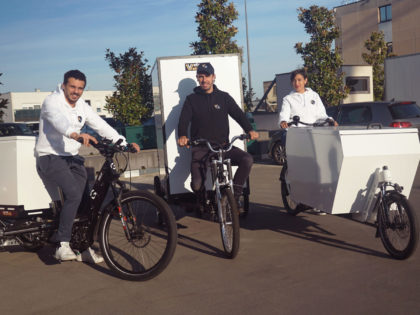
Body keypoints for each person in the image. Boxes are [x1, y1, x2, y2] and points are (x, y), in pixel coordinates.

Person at [35, 70, 140, 263]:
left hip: (72, 158)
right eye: (72, 87)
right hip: (50, 156)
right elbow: (58, 122)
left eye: (80, 88)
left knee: (87, 202)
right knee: (74, 194)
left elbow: (100, 125)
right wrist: (75, 134)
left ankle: (82, 247)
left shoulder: (82, 106)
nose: (76, 91)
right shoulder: (51, 101)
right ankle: (63, 244)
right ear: (64, 85)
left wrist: (123, 143)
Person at [177, 62, 259, 213]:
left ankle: (234, 197)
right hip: (202, 149)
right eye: (200, 77)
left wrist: (249, 129)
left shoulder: (223, 97)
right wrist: (182, 135)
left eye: (207, 76)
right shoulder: (191, 99)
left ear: (213, 77)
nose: (204, 80)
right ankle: (203, 202)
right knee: (196, 184)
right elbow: (183, 121)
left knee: (247, 159)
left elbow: (238, 114)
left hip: (223, 146)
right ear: (197, 78)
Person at [278, 68, 337, 215]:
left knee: (319, 167)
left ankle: (318, 201)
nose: (296, 83)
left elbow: (321, 114)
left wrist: (329, 119)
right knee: (300, 166)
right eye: (294, 80)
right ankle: (298, 195)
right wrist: (284, 121)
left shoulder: (314, 95)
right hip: (296, 134)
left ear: (305, 81)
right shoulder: (288, 99)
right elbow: (283, 115)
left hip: (314, 133)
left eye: (299, 80)